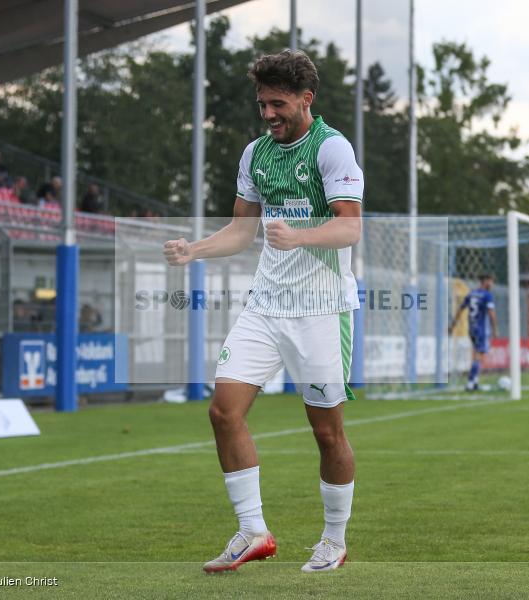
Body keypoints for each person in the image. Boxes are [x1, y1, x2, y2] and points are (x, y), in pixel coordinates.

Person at [163, 50, 363, 574]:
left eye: (278, 104)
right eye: (262, 105)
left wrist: (299, 235)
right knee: (223, 411)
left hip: (322, 311)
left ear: (305, 99)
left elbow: (350, 227)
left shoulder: (332, 148)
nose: (269, 114)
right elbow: (241, 231)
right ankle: (253, 531)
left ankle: (334, 540)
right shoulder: (255, 154)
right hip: (266, 306)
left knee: (326, 432)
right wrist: (195, 250)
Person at [449, 273, 498, 391]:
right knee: (478, 355)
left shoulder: (471, 294)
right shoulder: (487, 295)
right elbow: (491, 313)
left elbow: (460, 309)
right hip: (481, 328)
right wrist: (495, 329)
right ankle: (471, 382)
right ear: (484, 281)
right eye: (490, 281)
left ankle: (474, 381)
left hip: (471, 328)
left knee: (477, 354)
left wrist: (452, 325)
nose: (492, 284)